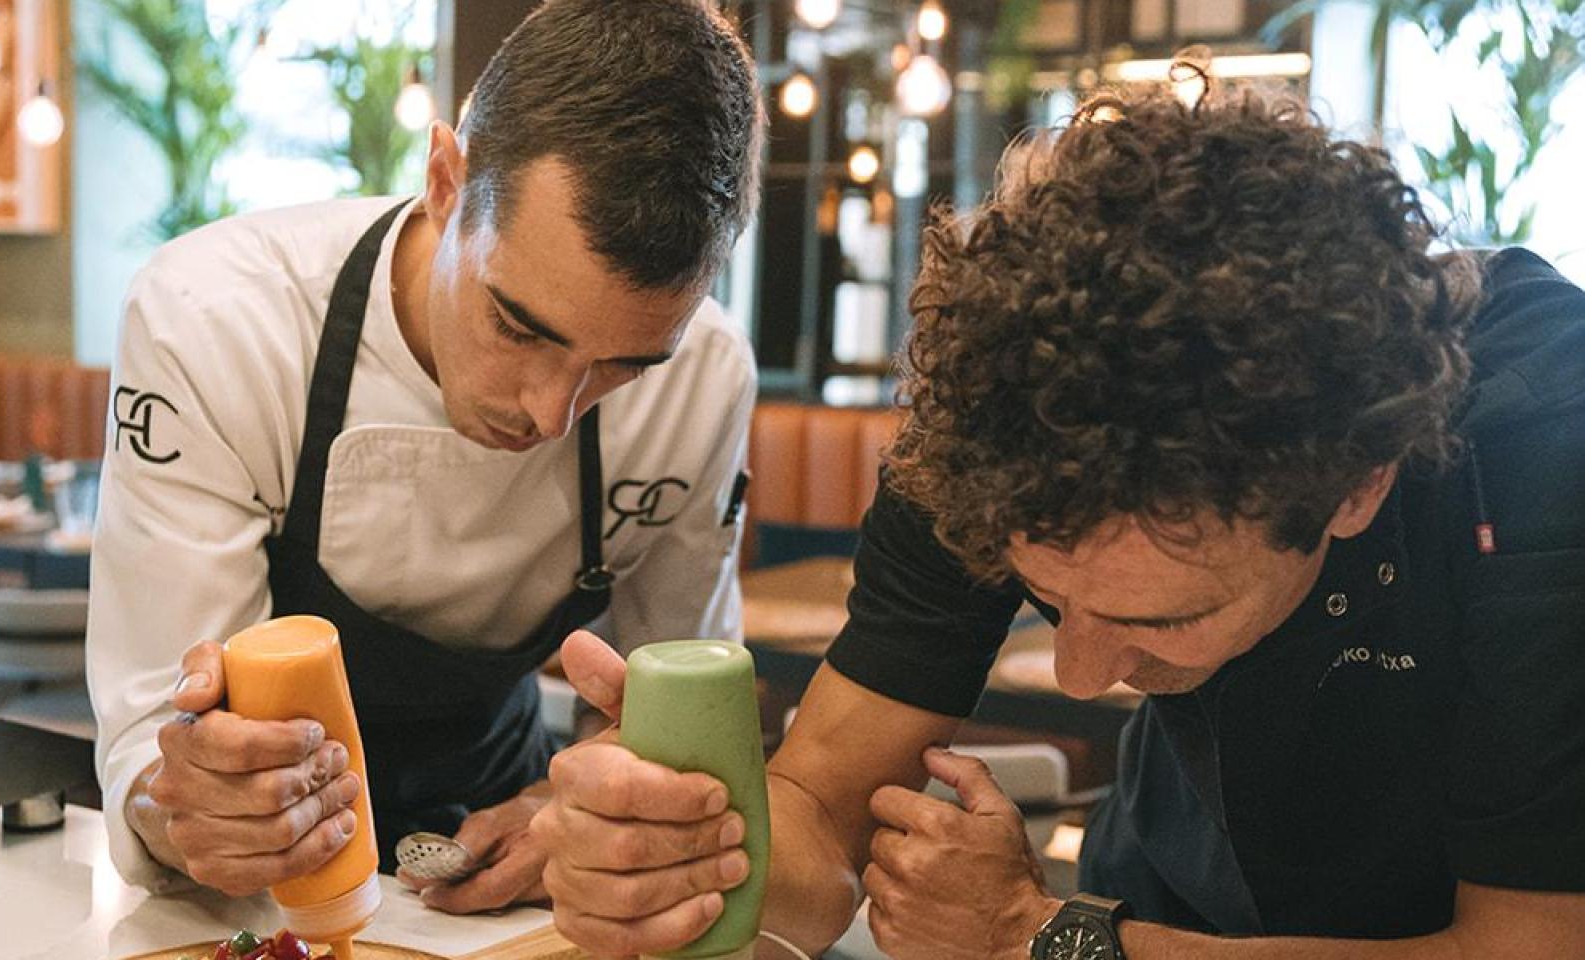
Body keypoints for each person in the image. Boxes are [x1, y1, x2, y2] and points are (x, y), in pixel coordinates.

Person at [534, 84, 1585, 957]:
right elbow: (818, 813)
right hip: (1166, 890)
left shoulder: (1543, 453)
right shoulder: (991, 421)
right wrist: (701, 854)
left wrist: (1040, 937)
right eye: (1046, 598)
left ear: (1355, 485)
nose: (1082, 676)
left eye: (1162, 620)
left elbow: (1524, 948)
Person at [87, 0, 762, 914]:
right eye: (518, 327)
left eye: (621, 367)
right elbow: (149, 735)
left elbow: (683, 717)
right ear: (446, 180)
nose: (551, 413)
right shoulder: (216, 322)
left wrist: (589, 812)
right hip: (256, 897)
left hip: (517, 869)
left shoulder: (708, 378)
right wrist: (190, 810)